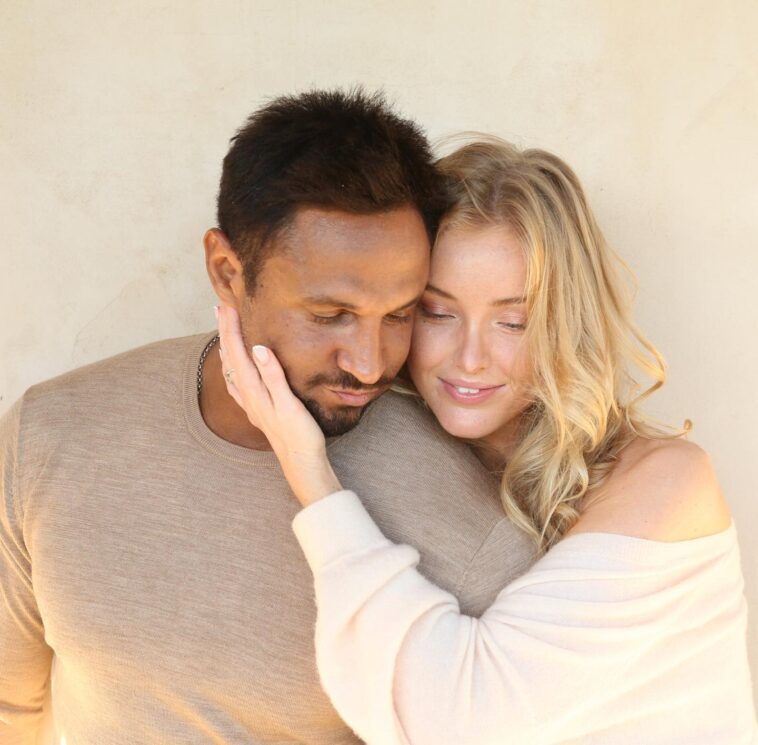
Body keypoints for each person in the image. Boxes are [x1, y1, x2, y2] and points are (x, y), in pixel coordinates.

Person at [0, 93, 538, 743]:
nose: (369, 364)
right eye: (330, 315)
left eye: (399, 314)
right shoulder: (51, 434)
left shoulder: (467, 520)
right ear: (228, 271)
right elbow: (9, 709)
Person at [216, 137, 758, 744]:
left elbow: (462, 722)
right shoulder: (403, 448)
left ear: (565, 324)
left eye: (513, 321)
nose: (470, 358)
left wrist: (309, 472)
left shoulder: (668, 483)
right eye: (437, 312)